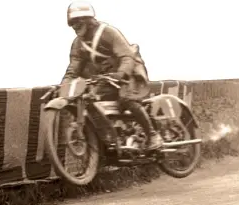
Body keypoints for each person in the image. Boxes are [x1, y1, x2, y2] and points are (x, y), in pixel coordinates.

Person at [61, 1, 163, 150]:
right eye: (73, 23)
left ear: (89, 20)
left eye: (79, 21)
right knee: (89, 100)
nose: (76, 26)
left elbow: (126, 56)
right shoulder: (78, 45)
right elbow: (73, 69)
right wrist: (64, 85)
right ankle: (111, 142)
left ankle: (153, 135)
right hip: (106, 78)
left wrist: (121, 74)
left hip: (130, 73)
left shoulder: (108, 32)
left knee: (126, 99)